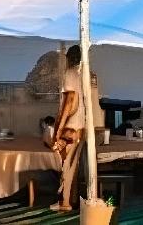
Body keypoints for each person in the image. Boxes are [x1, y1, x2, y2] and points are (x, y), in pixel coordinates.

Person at [49, 45, 95, 211]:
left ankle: (65, 202)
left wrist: (59, 128)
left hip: (71, 126)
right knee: (72, 166)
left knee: (65, 165)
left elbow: (70, 101)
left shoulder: (70, 73)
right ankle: (68, 200)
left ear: (68, 58)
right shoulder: (85, 74)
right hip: (82, 126)